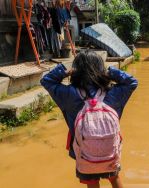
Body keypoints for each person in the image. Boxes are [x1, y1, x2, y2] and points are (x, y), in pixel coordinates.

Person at [40, 50, 138, 188]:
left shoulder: (69, 95)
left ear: (76, 71)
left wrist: (65, 71)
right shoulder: (113, 94)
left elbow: (46, 81)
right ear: (100, 69)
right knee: (114, 177)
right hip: (109, 150)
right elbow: (132, 82)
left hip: (85, 153)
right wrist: (110, 73)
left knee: (91, 181)